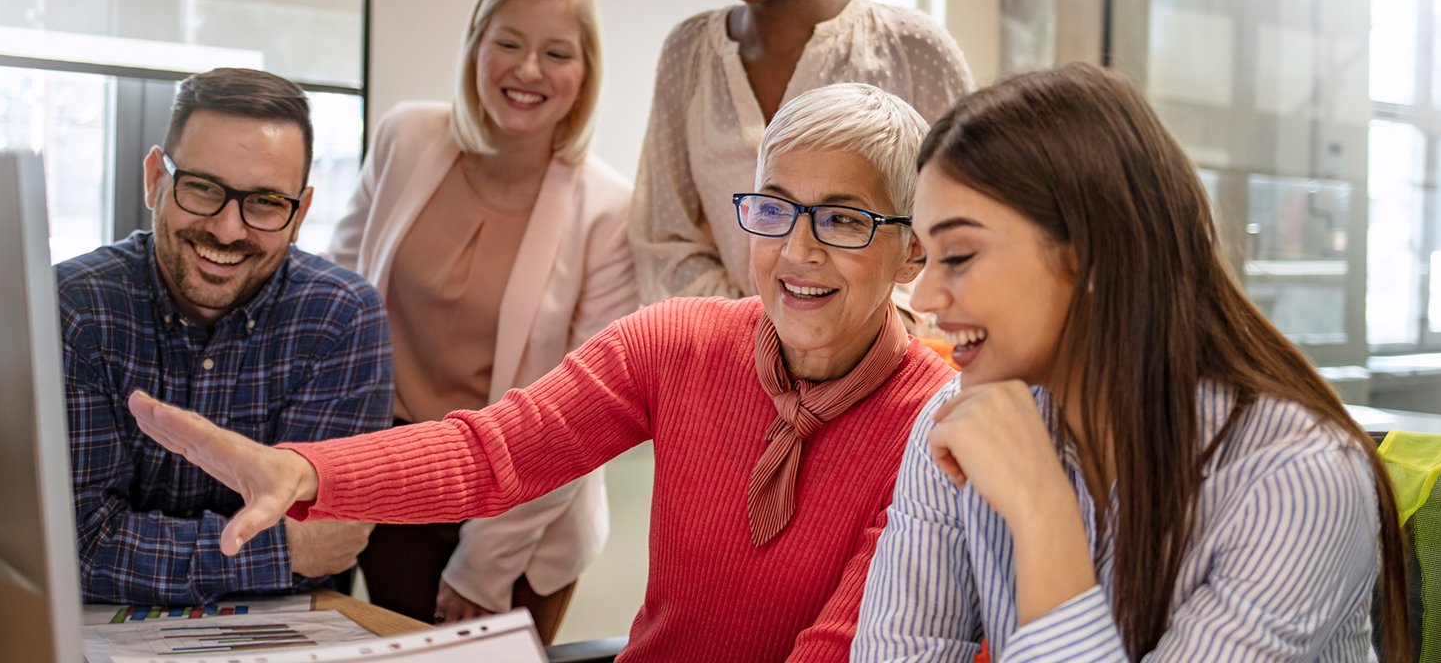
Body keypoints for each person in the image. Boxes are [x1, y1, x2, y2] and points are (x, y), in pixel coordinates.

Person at [126, 83, 957, 662]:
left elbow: (842, 652)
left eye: (843, 220)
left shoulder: (936, 426)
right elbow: (491, 454)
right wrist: (305, 470)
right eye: (774, 209)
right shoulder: (679, 343)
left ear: (913, 246)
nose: (797, 251)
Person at [853, 64, 1411, 661]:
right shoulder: (959, 422)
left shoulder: (1297, 476)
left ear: (1092, 257)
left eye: (959, 255)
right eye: (926, 255)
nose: (929, 297)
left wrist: (1042, 511)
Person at [326, 0, 635, 640]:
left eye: (556, 53)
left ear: (584, 75)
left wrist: (485, 563)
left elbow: (583, 413)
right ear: (474, 45)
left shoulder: (609, 210)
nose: (528, 70)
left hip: (524, 513)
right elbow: (333, 303)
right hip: (393, 484)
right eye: (508, 43)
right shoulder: (406, 137)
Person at [57, 67, 393, 605]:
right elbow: (75, 546)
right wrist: (281, 551)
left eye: (264, 202)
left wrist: (145, 549)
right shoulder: (75, 309)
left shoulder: (342, 318)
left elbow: (331, 543)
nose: (227, 229)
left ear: (300, 213)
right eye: (202, 188)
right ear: (154, 180)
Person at [630, 0, 973, 303]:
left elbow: (960, 226)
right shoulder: (689, 53)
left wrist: (851, 337)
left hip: (889, 361)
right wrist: (756, 335)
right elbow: (665, 237)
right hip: (729, 359)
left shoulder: (910, 48)